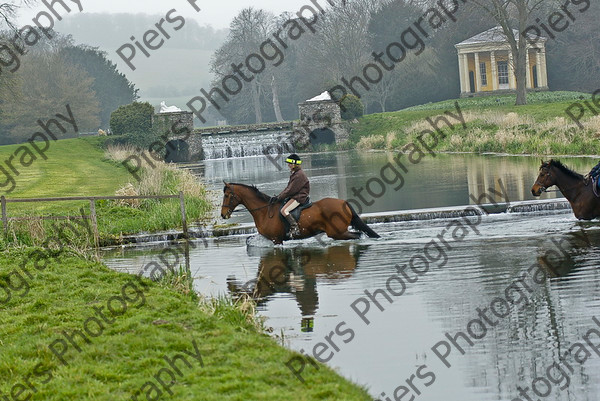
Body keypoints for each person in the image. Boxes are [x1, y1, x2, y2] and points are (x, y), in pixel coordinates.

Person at [272, 154, 310, 238]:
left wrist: (280, 197)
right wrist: (279, 196)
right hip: (295, 195)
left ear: (294, 164)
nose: (288, 165)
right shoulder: (295, 173)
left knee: (284, 211)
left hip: (299, 197)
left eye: (289, 163)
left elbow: (290, 190)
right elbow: (288, 188)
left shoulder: (298, 175)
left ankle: (295, 227)